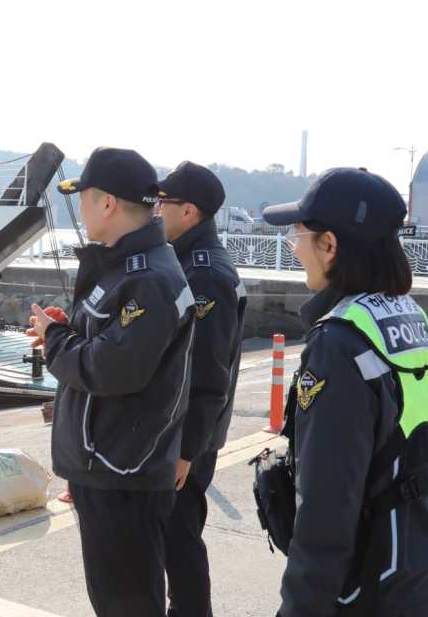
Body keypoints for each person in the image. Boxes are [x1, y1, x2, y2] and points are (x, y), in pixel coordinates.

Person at [261, 167, 428, 617]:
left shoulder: (339, 342)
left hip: (369, 586)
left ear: (329, 245)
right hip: (423, 562)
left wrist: (301, 607)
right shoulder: (409, 315)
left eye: (298, 235)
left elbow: (327, 507)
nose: (293, 248)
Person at [28, 147, 196, 617]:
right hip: (110, 465)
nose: (79, 209)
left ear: (107, 203)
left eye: (83, 197)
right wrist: (69, 329)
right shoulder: (128, 266)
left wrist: (56, 339)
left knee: (127, 603)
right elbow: (115, 343)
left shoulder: (150, 278)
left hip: (122, 471)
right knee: (116, 598)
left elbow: (114, 367)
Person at [154, 161, 247, 617]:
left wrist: (186, 450)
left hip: (189, 436)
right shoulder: (190, 259)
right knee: (175, 537)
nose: (156, 211)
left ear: (188, 211)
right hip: (187, 431)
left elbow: (209, 373)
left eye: (163, 203)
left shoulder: (205, 273)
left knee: (180, 539)